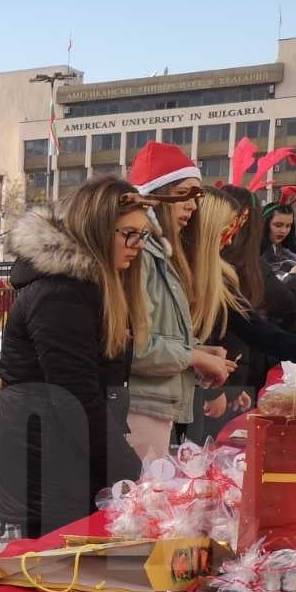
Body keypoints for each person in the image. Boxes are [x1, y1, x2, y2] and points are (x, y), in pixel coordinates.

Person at [0, 177, 149, 541]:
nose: (138, 245)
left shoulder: (89, 287)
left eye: (144, 235)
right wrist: (131, 473)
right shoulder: (60, 295)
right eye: (129, 233)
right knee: (49, 575)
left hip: (63, 455)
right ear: (96, 229)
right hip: (44, 465)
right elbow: (76, 396)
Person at [123, 144, 236, 465]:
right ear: (155, 195)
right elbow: (133, 347)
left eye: (196, 197)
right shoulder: (140, 253)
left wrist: (198, 353)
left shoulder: (160, 253)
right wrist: (195, 356)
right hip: (141, 406)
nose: (192, 206)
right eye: (184, 194)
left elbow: (156, 333)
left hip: (156, 403)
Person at [187, 185, 296, 441]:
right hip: (173, 395)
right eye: (227, 230)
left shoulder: (218, 273)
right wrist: (208, 378)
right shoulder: (178, 270)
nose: (231, 240)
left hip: (208, 383)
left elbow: (252, 327)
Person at [260, 198, 296, 333]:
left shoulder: (291, 252)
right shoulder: (256, 255)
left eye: (288, 226)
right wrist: (295, 276)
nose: (284, 231)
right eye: (278, 225)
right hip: (273, 325)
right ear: (265, 224)